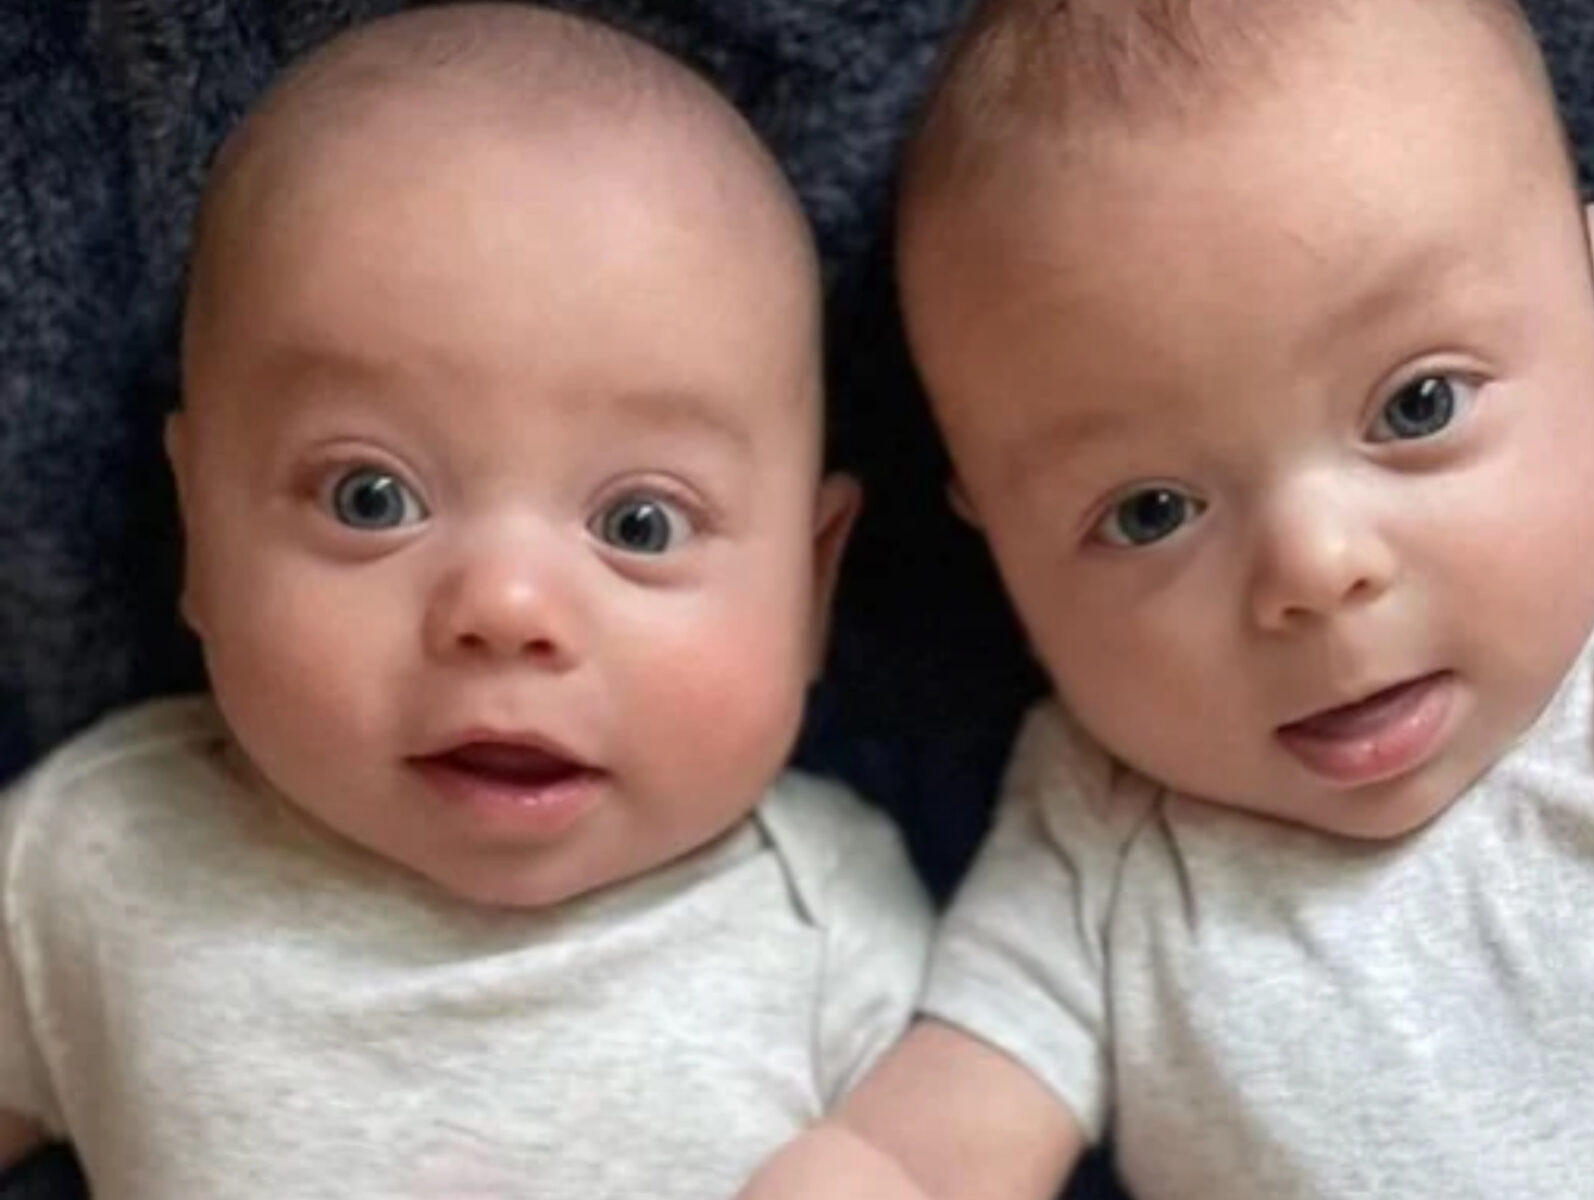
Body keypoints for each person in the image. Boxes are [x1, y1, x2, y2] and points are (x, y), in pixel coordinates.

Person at [742, 0, 1594, 1196]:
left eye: (1417, 405)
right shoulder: (1103, 834)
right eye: (1148, 512)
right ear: (999, 543)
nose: (1313, 569)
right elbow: (940, 1143)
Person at [0, 5, 931, 1196]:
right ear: (199, 533)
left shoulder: (833, 920)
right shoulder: (93, 856)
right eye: (371, 498)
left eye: (639, 525)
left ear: (809, 586)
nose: (505, 606)